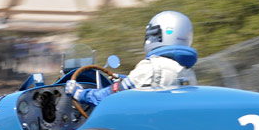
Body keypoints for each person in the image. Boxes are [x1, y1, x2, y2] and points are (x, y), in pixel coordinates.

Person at [65, 11, 197, 107]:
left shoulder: (152, 67)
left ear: (156, 36)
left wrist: (80, 94)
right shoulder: (187, 73)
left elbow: (110, 96)